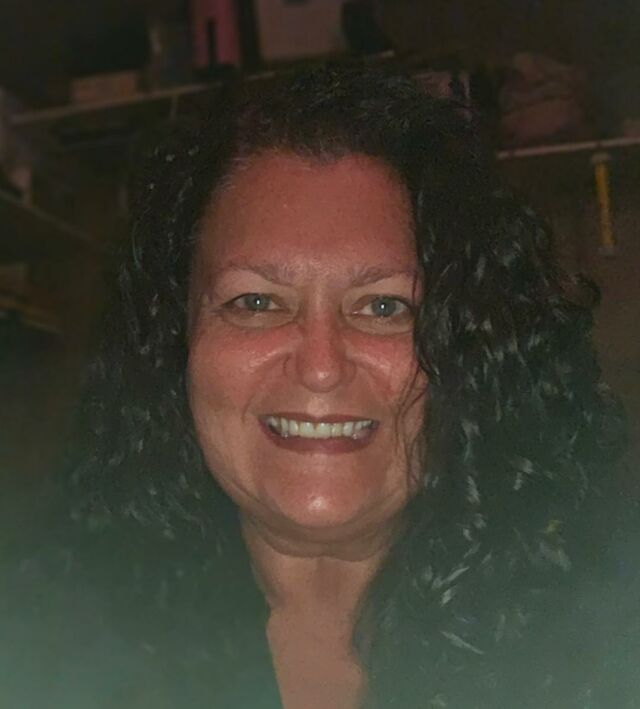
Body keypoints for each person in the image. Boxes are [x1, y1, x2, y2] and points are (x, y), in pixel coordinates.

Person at [2, 64, 638, 708]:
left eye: (384, 306)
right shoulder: (35, 645)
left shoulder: (612, 639)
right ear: (174, 340)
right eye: (255, 302)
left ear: (474, 344)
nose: (321, 366)